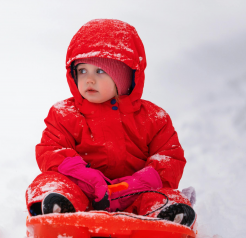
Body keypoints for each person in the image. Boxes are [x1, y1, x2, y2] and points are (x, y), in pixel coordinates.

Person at [25, 19, 196, 228]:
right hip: (84, 192)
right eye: (82, 71)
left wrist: (137, 184)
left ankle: (166, 216)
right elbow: (52, 151)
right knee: (49, 182)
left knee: (165, 194)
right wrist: (87, 178)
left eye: (99, 71)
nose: (89, 79)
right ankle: (58, 209)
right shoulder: (64, 114)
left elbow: (169, 158)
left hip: (138, 194)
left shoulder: (154, 118)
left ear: (125, 76)